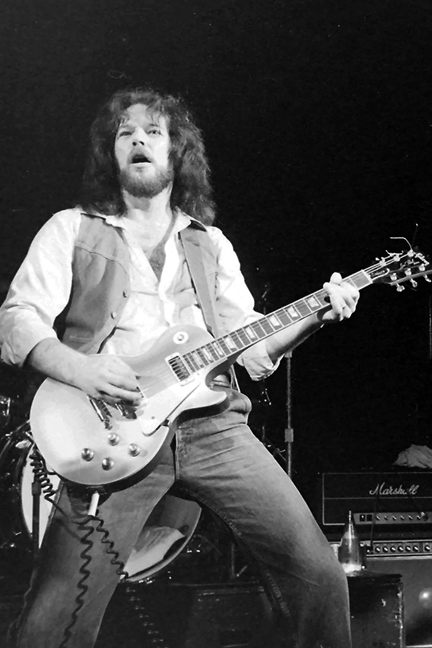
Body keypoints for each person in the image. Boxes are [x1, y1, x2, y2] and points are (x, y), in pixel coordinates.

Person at [0, 87, 359, 648]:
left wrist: (317, 314)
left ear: (177, 152)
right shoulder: (71, 227)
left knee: (317, 575)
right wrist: (79, 369)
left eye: (153, 132)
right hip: (112, 426)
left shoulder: (209, 243)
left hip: (214, 428)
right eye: (125, 133)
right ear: (110, 152)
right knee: (55, 618)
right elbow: (17, 319)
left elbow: (254, 348)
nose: (138, 140)